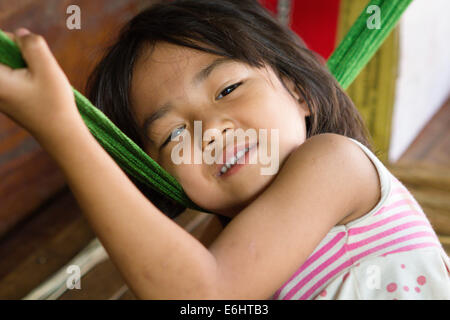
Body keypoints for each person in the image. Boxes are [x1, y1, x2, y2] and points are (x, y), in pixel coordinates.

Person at [0, 0, 448, 300]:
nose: (210, 130)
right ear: (162, 177)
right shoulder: (215, 249)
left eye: (229, 88)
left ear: (300, 92)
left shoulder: (334, 163)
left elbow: (204, 293)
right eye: (174, 135)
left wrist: (62, 130)